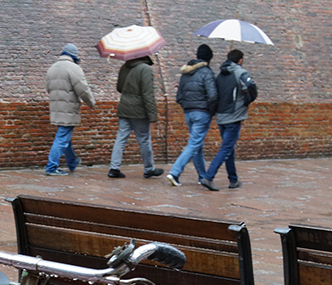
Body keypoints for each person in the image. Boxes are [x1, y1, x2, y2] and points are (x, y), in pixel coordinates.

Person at [201, 49, 258, 191]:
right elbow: (251, 87)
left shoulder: (220, 74)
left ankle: (233, 179)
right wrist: (246, 101)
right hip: (234, 115)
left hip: (221, 115)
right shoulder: (241, 73)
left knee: (229, 148)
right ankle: (208, 177)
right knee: (226, 148)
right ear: (240, 60)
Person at [167, 44, 218, 187]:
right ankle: (174, 172)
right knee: (194, 144)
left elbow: (179, 96)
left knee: (197, 145)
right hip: (202, 113)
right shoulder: (207, 72)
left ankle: (202, 176)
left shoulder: (186, 73)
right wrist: (210, 111)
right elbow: (213, 96)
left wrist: (187, 106)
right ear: (209, 58)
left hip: (188, 112)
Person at [107, 55, 164, 179]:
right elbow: (148, 94)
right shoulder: (145, 69)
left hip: (124, 107)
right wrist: (153, 116)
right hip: (139, 110)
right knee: (144, 139)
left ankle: (114, 168)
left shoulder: (125, 66)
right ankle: (149, 169)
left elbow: (119, 88)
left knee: (121, 138)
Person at [44, 43, 95, 176]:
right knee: (62, 137)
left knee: (65, 137)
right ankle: (51, 167)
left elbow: (48, 88)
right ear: (74, 56)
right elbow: (82, 88)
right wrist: (91, 102)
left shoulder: (52, 68)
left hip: (56, 108)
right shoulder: (73, 68)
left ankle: (72, 162)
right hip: (68, 108)